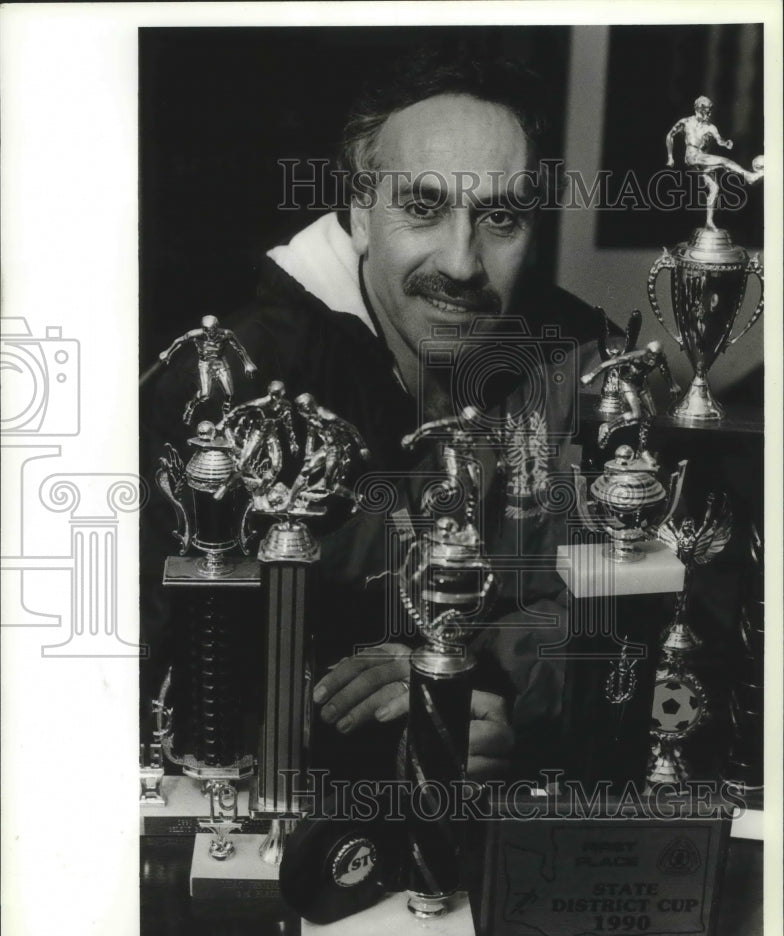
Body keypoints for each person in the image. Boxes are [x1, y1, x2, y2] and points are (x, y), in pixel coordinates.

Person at [142, 43, 609, 781]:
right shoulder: (219, 391)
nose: (461, 262)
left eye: (501, 219)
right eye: (423, 208)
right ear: (360, 211)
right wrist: (349, 710)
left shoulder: (584, 362)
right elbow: (138, 673)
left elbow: (636, 612)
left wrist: (498, 686)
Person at [665, 96, 764, 231]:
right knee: (725, 161)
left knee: (714, 188)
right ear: (698, 109)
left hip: (702, 160)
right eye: (707, 111)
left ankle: (709, 221)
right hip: (692, 157)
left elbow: (719, 141)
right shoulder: (686, 122)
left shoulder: (711, 128)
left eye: (710, 111)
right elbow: (670, 135)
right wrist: (670, 157)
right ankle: (748, 176)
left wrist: (726, 144)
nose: (709, 114)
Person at [158, 314, 258, 423]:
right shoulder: (195, 334)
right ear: (203, 329)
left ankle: (225, 418)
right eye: (206, 330)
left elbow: (239, 348)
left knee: (229, 395)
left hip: (220, 363)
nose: (210, 333)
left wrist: (248, 363)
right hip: (205, 364)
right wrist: (168, 352)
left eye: (212, 330)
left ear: (217, 327)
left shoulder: (226, 334)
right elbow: (179, 341)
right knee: (205, 394)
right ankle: (191, 406)